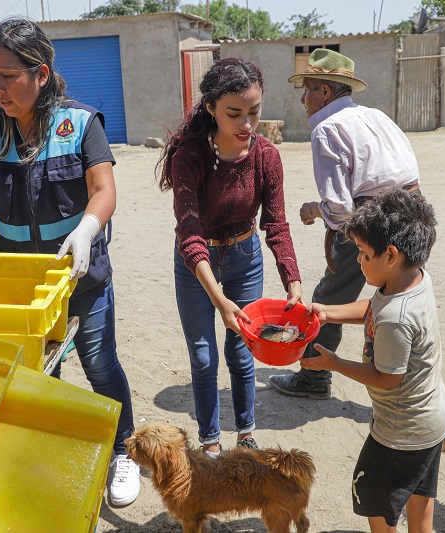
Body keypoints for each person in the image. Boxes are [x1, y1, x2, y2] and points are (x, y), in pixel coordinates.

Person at [0, 18, 139, 506]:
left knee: (100, 365)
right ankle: (49, 449)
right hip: (18, 282)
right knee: (36, 372)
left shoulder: (80, 122)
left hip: (79, 275)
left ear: (41, 72)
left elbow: (104, 191)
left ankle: (124, 451)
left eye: (9, 75)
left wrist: (86, 230)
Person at [157, 58, 304, 457]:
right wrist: (219, 301)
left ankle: (245, 433)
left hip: (244, 256)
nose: (246, 124)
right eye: (234, 114)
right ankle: (210, 441)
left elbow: (276, 224)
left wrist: (292, 279)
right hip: (196, 263)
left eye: (254, 112)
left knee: (242, 350)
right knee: (203, 358)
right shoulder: (189, 158)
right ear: (210, 109)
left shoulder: (267, 157)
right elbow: (189, 235)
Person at [270, 49, 421, 400]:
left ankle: (314, 378)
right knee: (403, 297)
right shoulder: (376, 116)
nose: (303, 98)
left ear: (325, 92)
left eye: (307, 89)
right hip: (414, 216)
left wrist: (314, 208)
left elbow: (340, 210)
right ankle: (407, 379)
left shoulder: (326, 130)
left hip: (374, 223)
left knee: (329, 299)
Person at [300, 188, 445, 533]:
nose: (358, 260)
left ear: (391, 255)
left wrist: (334, 364)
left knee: (377, 504)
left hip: (401, 431)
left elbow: (386, 378)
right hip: (431, 419)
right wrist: (328, 313)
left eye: (363, 254)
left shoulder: (398, 316)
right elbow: (373, 309)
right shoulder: (410, 279)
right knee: (420, 511)